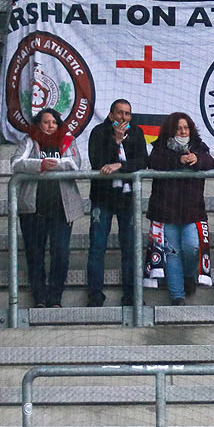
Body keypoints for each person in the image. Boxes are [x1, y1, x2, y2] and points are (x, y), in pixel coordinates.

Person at [12, 109, 86, 308]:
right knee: (35, 255)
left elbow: (74, 164)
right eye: (46, 122)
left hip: (62, 210)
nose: (50, 125)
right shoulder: (30, 140)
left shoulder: (68, 140)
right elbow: (16, 163)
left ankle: (55, 298)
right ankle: (40, 298)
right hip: (33, 209)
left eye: (54, 122)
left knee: (60, 253)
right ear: (39, 124)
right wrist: (41, 165)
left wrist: (53, 166)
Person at [145, 112, 214, 305]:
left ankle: (188, 276)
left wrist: (197, 160)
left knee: (192, 247)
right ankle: (177, 296)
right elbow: (154, 162)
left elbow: (210, 162)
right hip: (165, 210)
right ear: (171, 130)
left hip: (192, 210)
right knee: (172, 253)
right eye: (178, 128)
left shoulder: (199, 147)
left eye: (185, 128)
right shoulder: (160, 146)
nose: (183, 131)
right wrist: (179, 161)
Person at [85, 100, 147, 307]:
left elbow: (142, 161)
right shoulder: (98, 132)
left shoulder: (137, 133)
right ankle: (95, 295)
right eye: (120, 113)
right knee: (97, 247)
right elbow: (97, 161)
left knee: (130, 248)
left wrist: (120, 164)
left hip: (127, 199)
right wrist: (115, 142)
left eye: (127, 114)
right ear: (111, 114)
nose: (123, 117)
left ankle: (131, 295)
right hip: (103, 198)